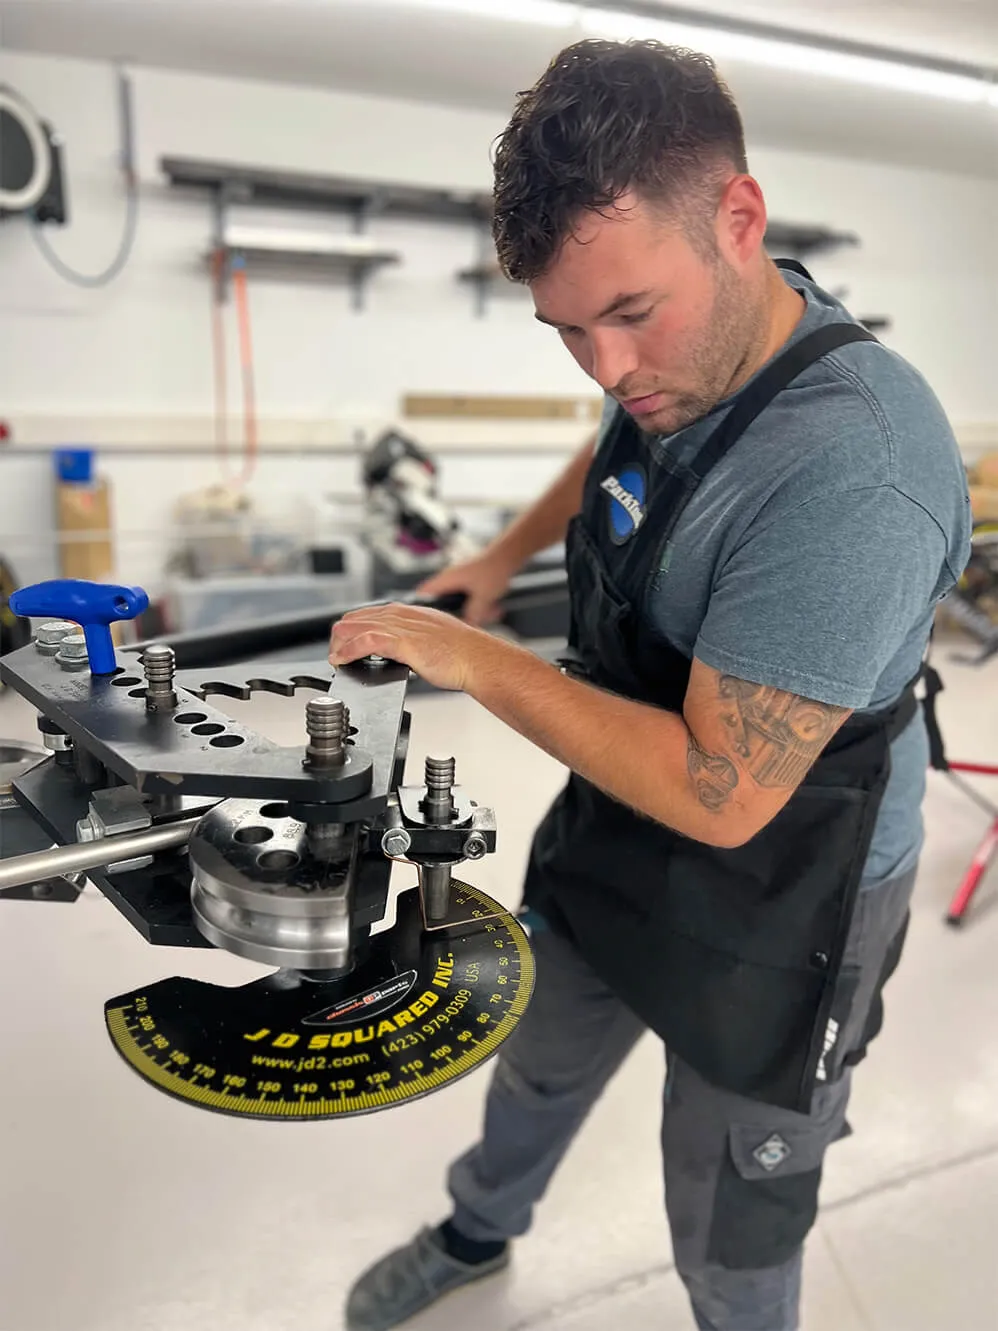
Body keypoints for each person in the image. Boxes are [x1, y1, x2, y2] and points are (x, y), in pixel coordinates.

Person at [329, 39, 971, 1331]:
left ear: (738, 217)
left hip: (794, 882)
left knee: (734, 1192)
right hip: (619, 807)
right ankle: (474, 1226)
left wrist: (477, 657)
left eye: (628, 313)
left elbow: (723, 792)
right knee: (536, 1054)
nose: (606, 366)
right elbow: (619, 440)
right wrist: (499, 559)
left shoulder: (854, 468)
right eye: (568, 328)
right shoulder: (685, 366)